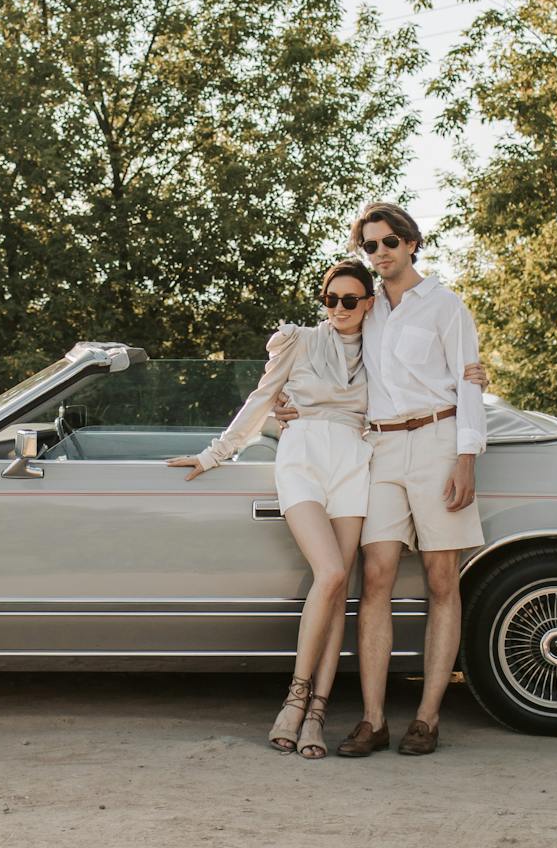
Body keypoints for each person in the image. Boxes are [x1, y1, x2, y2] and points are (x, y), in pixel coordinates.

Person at [169, 257, 487, 759]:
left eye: (349, 299)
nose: (338, 308)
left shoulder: (379, 345)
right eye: (330, 298)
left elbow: (436, 378)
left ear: (369, 303)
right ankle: (298, 703)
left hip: (357, 465)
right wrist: (216, 453)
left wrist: (473, 379)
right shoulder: (300, 339)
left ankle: (320, 713)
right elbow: (262, 398)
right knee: (336, 573)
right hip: (309, 462)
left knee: (345, 584)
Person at [295, 202, 487, 758]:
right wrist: (289, 402)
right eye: (370, 245)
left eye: (387, 242)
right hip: (379, 449)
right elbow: (326, 356)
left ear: (410, 243)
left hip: (437, 441)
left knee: (441, 579)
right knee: (373, 577)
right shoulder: (366, 306)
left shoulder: (446, 306)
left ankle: (427, 717)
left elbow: (467, 381)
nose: (378, 253)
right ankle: (374, 720)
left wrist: (467, 455)